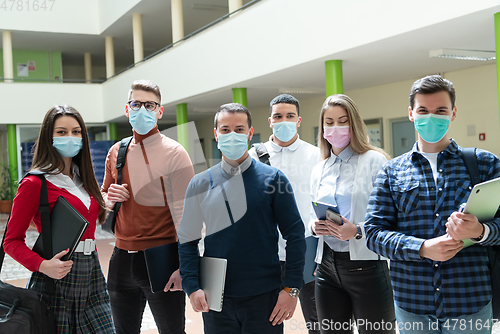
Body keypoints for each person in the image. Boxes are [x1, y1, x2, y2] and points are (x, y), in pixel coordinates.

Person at [365, 75, 500, 334]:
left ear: (453, 113)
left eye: (440, 111)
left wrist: (480, 232)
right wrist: (422, 248)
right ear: (411, 113)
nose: (432, 118)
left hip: (470, 300)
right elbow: (373, 234)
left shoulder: (485, 164)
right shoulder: (392, 171)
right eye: (423, 111)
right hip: (412, 302)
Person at [178, 103, 306, 334]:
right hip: (214, 297)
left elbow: (295, 235)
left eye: (239, 129)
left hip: (264, 298)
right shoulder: (199, 183)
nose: (232, 135)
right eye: (225, 130)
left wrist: (292, 289)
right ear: (216, 134)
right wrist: (192, 286)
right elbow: (187, 239)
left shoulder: (274, 179)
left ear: (249, 133)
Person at [4, 105, 115, 333]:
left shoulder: (84, 179)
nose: (70, 137)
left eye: (76, 132)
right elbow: (11, 241)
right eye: (62, 132)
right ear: (49, 136)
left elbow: (92, 218)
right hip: (57, 276)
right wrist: (42, 265)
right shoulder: (35, 183)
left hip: (91, 270)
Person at [101, 80, 194, 334]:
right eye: (136, 103)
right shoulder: (116, 151)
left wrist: (185, 266)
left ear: (159, 111)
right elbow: (102, 196)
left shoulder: (175, 153)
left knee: (172, 330)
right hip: (120, 257)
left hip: (161, 257)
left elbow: (187, 217)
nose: (142, 109)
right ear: (127, 109)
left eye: (149, 104)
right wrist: (108, 198)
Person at [310, 94, 395, 334]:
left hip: (366, 267)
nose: (335, 127)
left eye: (342, 120)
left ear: (354, 124)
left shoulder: (374, 161)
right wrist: (314, 226)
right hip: (327, 267)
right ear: (322, 127)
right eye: (329, 122)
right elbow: (312, 212)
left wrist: (357, 231)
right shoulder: (319, 169)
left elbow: (391, 218)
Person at [248, 93, 320, 334]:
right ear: (270, 121)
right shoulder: (253, 157)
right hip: (267, 254)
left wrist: (322, 255)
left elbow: (323, 205)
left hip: (308, 250)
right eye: (278, 116)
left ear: (299, 120)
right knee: (268, 322)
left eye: (290, 116)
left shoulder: (316, 155)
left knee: (318, 321)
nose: (284, 121)